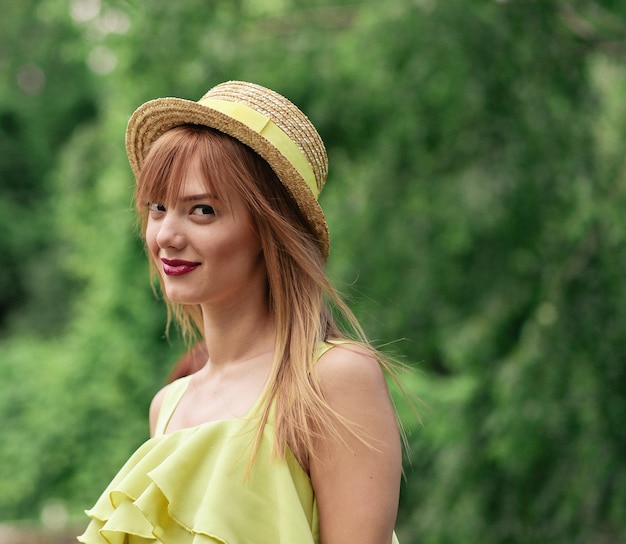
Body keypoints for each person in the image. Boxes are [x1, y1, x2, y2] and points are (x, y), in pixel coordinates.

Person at [78, 81, 405, 544]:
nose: (166, 234)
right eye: (158, 207)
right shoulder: (168, 407)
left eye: (203, 210)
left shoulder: (333, 380)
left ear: (268, 231)